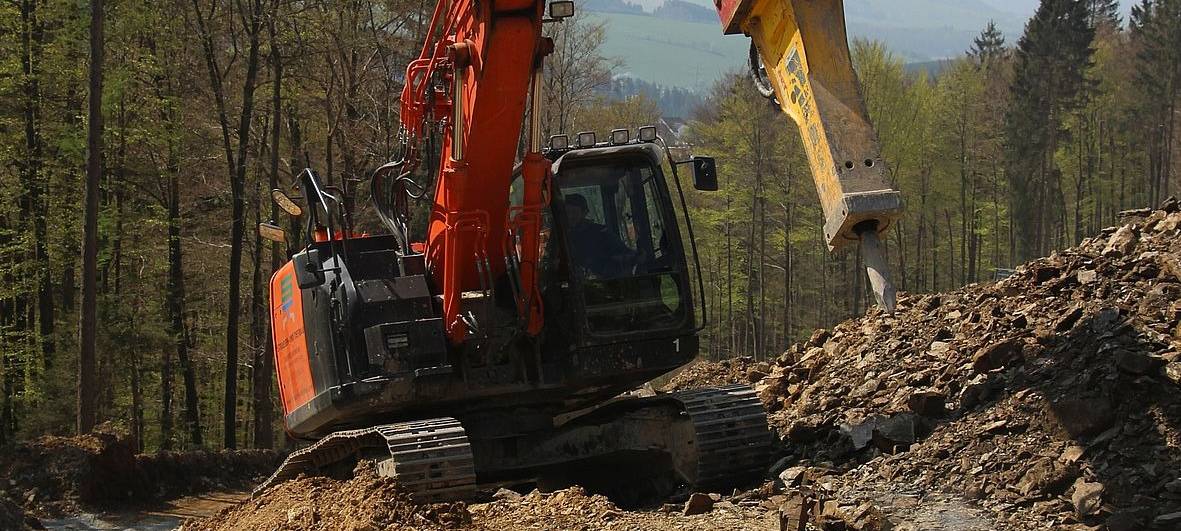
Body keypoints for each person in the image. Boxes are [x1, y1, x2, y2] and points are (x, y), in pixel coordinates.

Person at [563, 193, 635, 277]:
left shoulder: (601, 233)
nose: (570, 216)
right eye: (567, 212)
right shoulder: (560, 236)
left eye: (574, 212)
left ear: (584, 212)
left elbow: (624, 254)